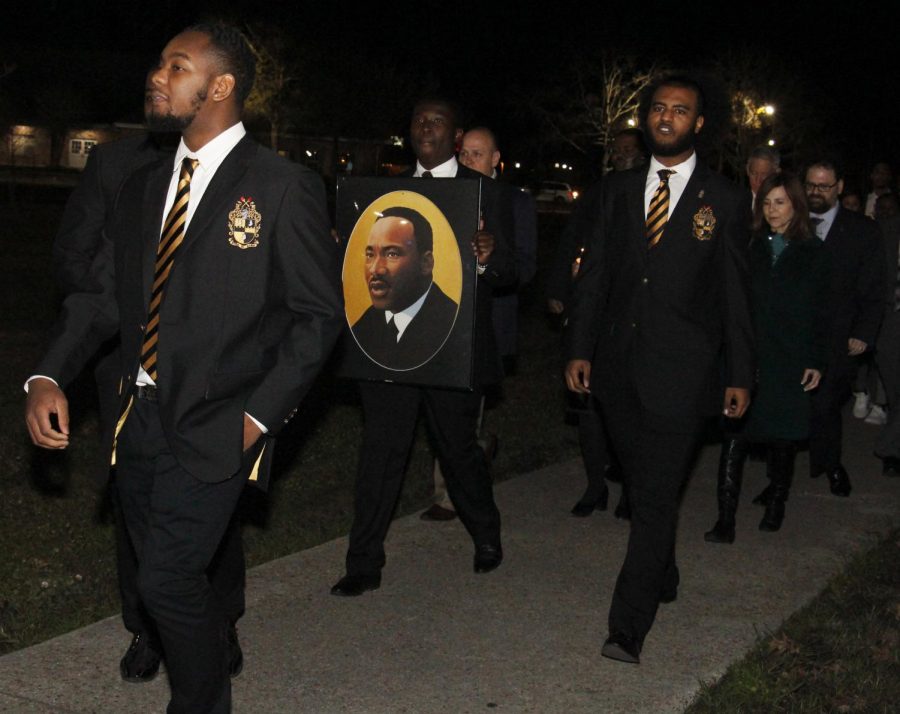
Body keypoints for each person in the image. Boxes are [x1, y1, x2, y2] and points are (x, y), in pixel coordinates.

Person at [25, 23, 342, 713]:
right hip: (137, 422)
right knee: (161, 583)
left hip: (220, 426)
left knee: (167, 582)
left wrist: (258, 418)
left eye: (177, 66)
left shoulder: (281, 187)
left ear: (220, 87)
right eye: (160, 64)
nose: (157, 76)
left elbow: (318, 318)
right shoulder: (143, 186)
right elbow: (105, 295)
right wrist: (48, 374)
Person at [564, 74, 754, 664]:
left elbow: (735, 295)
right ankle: (663, 571)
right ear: (646, 119)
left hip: (685, 372)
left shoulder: (722, 198)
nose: (666, 117)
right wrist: (579, 346)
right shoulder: (618, 190)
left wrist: (740, 374)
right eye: (658, 108)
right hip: (618, 368)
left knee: (653, 497)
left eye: (681, 110)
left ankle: (627, 627)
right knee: (646, 485)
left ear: (699, 124)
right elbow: (595, 275)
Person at [331, 98, 515, 597]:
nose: (425, 128)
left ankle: (486, 535)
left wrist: (489, 257)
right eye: (417, 121)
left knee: (457, 449)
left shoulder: (484, 194)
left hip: (451, 346)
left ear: (455, 136)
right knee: (380, 452)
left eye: (436, 121)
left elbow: (519, 269)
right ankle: (363, 560)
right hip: (385, 351)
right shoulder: (384, 191)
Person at [418, 126, 536, 522]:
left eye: (477, 154)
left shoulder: (514, 202)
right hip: (444, 322)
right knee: (453, 417)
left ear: (497, 158)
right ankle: (455, 479)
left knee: (466, 417)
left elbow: (524, 266)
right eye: (463, 153)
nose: (468, 161)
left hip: (488, 324)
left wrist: (491, 258)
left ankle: (456, 493)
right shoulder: (448, 194)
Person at [705, 174, 828, 541]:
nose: (773, 210)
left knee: (782, 440)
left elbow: (823, 312)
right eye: (767, 203)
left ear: (796, 205)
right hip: (746, 356)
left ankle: (776, 501)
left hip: (789, 358)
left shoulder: (813, 252)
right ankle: (725, 519)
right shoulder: (748, 245)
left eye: (781, 202)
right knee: (734, 437)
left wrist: (816, 358)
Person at [804, 159, 885, 497]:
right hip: (796, 334)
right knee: (794, 405)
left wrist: (864, 332)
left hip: (839, 335)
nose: (816, 192)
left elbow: (874, 286)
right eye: (811, 185)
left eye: (824, 186)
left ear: (838, 187)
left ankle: (831, 465)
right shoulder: (791, 221)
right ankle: (777, 477)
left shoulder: (861, 230)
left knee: (826, 405)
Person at [350, 207, 458, 371]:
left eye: (392, 254)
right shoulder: (362, 328)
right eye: (370, 254)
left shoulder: (453, 323)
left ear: (426, 263)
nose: (375, 269)